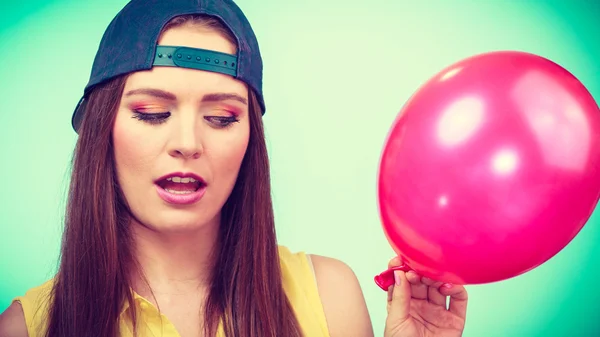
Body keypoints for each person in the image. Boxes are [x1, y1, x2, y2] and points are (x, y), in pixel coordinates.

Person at [0, 0, 468, 336]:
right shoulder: (27, 326)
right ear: (103, 129)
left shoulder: (331, 296)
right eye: (151, 113)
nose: (187, 144)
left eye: (221, 118)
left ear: (250, 141)